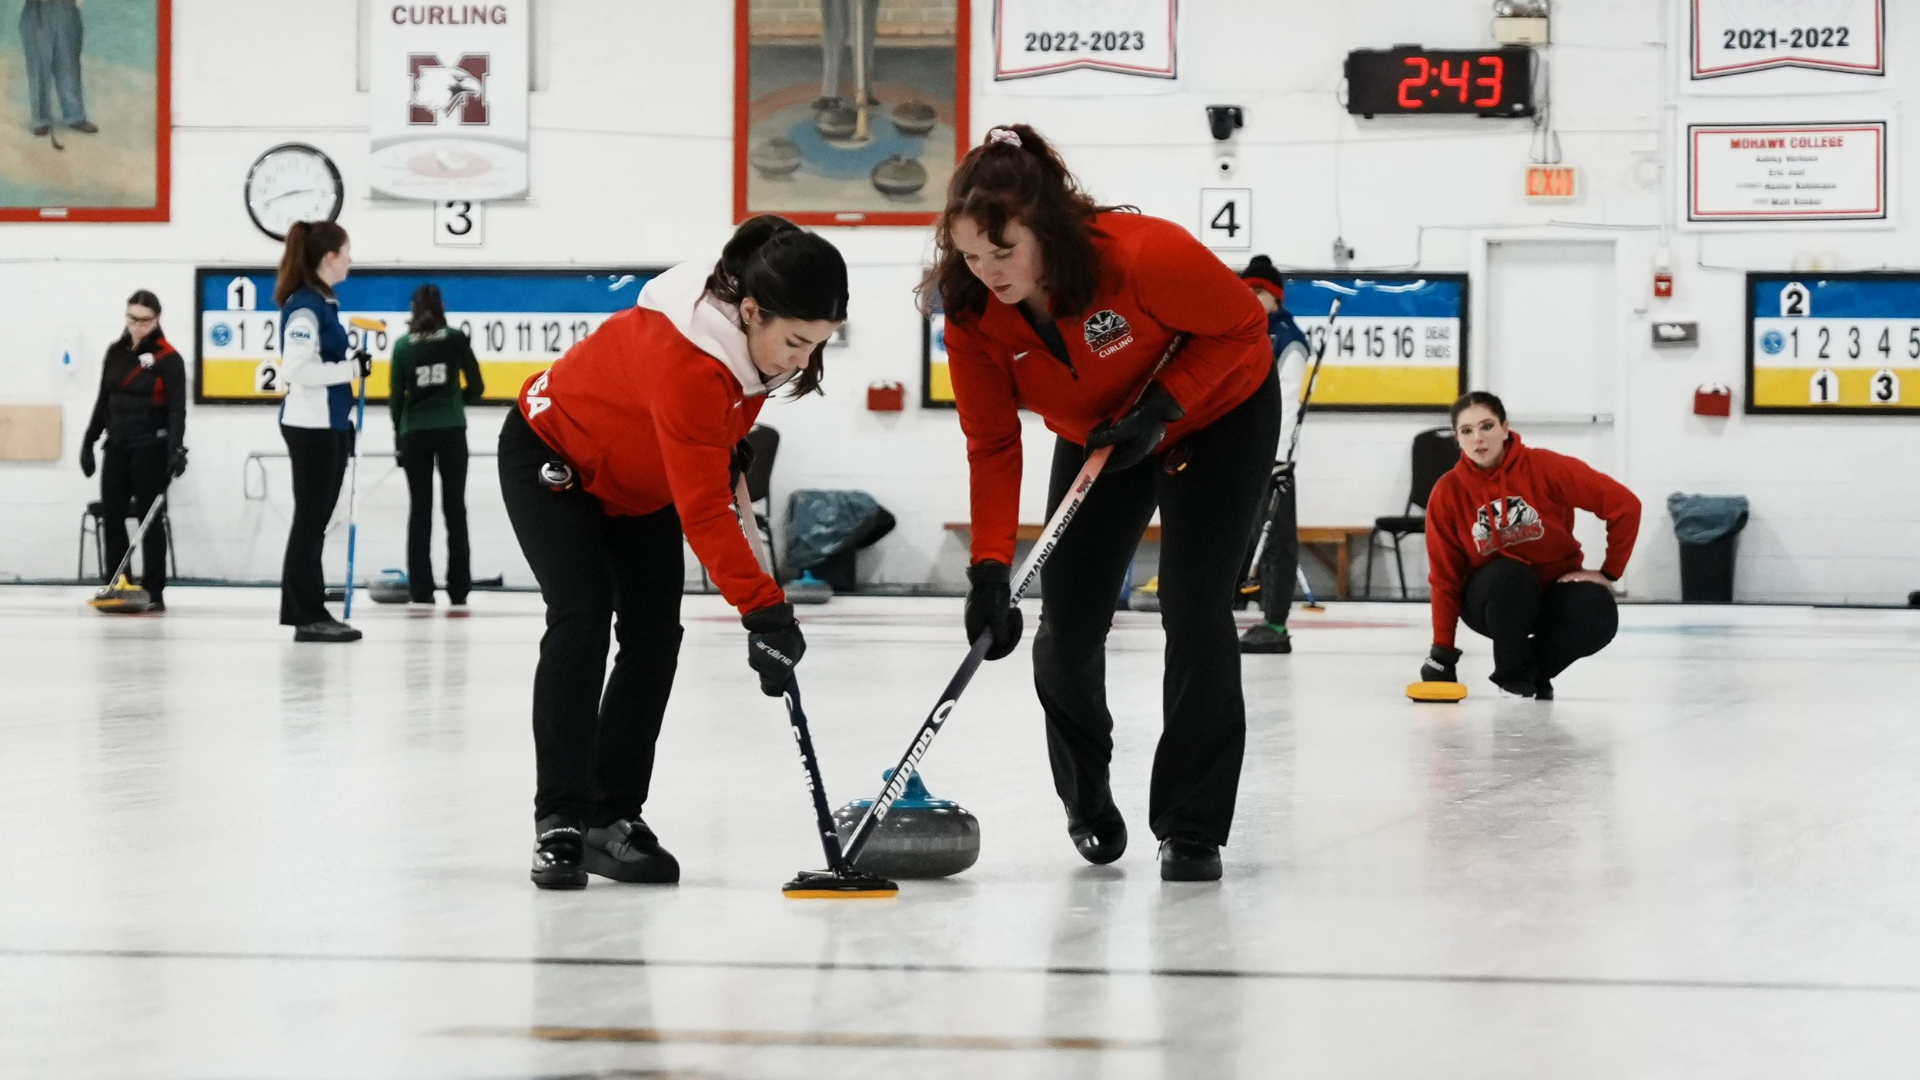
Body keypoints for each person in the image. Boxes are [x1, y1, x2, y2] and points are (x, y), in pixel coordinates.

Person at [928, 124, 1278, 882]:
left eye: (1004, 251)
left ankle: (1191, 824)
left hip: (1217, 414)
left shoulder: (1144, 255)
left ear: (1047, 230)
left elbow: (1246, 328)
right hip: (1100, 439)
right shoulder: (970, 314)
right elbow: (992, 444)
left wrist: (1168, 404)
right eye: (972, 255)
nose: (987, 271)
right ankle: (1087, 800)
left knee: (1193, 604)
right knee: (1068, 622)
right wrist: (989, 570)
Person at [500, 215, 847, 890]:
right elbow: (703, 513)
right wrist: (765, 613)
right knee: (581, 615)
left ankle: (612, 817)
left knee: (656, 636)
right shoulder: (691, 358)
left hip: (637, 482)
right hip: (554, 455)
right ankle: (562, 822)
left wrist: (723, 437)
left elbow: (699, 440)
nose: (802, 361)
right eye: (797, 342)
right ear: (751, 311)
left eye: (819, 345)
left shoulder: (752, 334)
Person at [1421, 391, 1642, 700]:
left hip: (1550, 593)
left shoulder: (1546, 467)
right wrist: (1441, 653)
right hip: (1490, 602)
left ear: (1505, 428)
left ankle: (1528, 673)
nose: (1478, 438)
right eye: (1467, 431)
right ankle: (1514, 674)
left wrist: (1610, 572)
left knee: (1598, 611)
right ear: (1457, 439)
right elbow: (1444, 577)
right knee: (1512, 574)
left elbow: (1625, 505)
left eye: (1486, 426)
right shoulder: (1448, 492)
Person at [275, 220, 369, 644]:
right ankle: (305, 614)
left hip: (329, 423)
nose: (350, 260)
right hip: (309, 425)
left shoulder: (322, 302)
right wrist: (349, 369)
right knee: (310, 522)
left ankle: (310, 609)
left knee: (315, 522)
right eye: (346, 252)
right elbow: (295, 368)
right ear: (329, 257)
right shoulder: (305, 306)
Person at [79, 290, 187, 611]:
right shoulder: (115, 352)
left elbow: (177, 410)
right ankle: (118, 583)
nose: (136, 326)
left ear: (156, 319)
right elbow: (103, 399)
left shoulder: (169, 358)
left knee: (148, 519)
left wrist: (175, 449)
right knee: (112, 516)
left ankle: (154, 590)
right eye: (131, 318)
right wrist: (88, 440)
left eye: (143, 320)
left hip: (149, 447)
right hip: (117, 446)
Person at [388, 285, 484, 604]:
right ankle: (458, 589)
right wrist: (457, 400)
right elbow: (478, 386)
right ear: (442, 306)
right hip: (451, 430)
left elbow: (395, 400)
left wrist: (399, 436)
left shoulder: (402, 346)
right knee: (455, 509)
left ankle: (421, 590)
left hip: (414, 433)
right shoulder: (456, 338)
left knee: (420, 511)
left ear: (412, 309)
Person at [1236, 255, 1311, 655]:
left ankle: (1276, 624)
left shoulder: (1288, 340)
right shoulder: (1246, 331)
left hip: (1273, 459)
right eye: (1246, 290)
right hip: (1245, 454)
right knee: (1250, 536)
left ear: (1275, 296)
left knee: (1276, 541)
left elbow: (1287, 402)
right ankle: (1255, 611)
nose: (1250, 297)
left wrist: (1279, 459)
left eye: (1258, 291)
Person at [19, 0, 94, 139]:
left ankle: (75, 116)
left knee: (69, 63)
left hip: (67, 10)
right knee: (38, 66)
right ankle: (40, 120)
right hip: (36, 12)